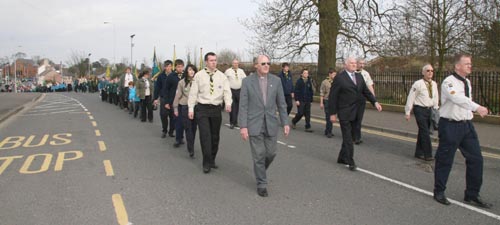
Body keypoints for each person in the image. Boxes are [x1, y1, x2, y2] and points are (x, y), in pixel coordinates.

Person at [433, 54, 492, 208]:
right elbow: (457, 99)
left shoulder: (467, 82)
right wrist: (477, 107)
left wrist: (471, 113)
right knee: (445, 160)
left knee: (476, 159)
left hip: (467, 126)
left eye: (470, 63)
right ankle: (439, 191)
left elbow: (465, 102)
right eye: (466, 64)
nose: (470, 66)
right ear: (457, 66)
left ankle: (472, 194)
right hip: (450, 126)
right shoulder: (449, 82)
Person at [239, 55, 290, 197]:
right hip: (254, 124)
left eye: (268, 63)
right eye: (263, 63)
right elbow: (243, 106)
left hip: (271, 124)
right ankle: (261, 183)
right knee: (259, 155)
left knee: (271, 153)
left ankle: (259, 169)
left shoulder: (277, 81)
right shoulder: (247, 82)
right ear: (256, 65)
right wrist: (243, 126)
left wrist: (285, 122)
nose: (266, 65)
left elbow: (281, 104)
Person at [329, 57, 382, 171]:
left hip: (356, 111)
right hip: (344, 112)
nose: (354, 65)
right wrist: (332, 113)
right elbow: (333, 97)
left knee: (351, 136)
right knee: (348, 137)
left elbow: (366, 91)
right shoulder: (339, 78)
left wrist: (375, 102)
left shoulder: (359, 76)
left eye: (355, 63)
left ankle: (341, 157)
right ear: (345, 65)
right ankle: (350, 160)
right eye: (351, 63)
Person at [188, 52, 232, 174]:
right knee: (205, 136)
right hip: (202, 109)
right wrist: (191, 109)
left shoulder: (222, 76)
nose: (214, 62)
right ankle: (206, 162)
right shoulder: (199, 76)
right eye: (211, 60)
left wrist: (228, 103)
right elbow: (193, 93)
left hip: (216, 109)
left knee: (215, 137)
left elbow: (227, 91)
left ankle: (212, 159)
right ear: (206, 62)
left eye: (215, 60)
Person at [405, 64, 439, 161]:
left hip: (430, 110)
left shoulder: (434, 84)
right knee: (425, 132)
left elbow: (436, 97)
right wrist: (408, 112)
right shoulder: (418, 84)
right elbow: (411, 97)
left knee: (422, 131)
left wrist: (436, 109)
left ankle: (418, 152)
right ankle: (428, 154)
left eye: (432, 71)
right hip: (419, 109)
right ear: (423, 72)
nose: (430, 72)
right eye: (428, 70)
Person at [174, 64, 198, 158]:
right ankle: (190, 148)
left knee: (194, 128)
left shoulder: (198, 81)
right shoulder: (182, 82)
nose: (192, 72)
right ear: (186, 71)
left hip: (196, 107)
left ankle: (191, 142)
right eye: (190, 70)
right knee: (188, 128)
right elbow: (177, 95)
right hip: (185, 106)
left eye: (193, 70)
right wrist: (175, 107)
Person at [352, 58, 375, 144]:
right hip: (352, 98)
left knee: (359, 119)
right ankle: (352, 135)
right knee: (353, 118)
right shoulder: (351, 73)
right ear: (356, 63)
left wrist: (374, 100)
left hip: (361, 99)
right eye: (360, 63)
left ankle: (357, 137)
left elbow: (369, 86)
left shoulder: (366, 74)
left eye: (363, 64)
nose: (362, 65)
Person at [154, 60, 174, 138]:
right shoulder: (161, 76)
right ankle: (164, 130)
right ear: (165, 67)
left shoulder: (174, 75)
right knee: (163, 115)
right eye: (168, 66)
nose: (169, 68)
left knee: (173, 116)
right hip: (164, 98)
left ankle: (171, 131)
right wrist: (155, 98)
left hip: (173, 98)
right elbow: (157, 87)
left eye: (171, 66)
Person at [167, 59, 185, 147]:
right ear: (175, 67)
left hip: (185, 102)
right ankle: (178, 139)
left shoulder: (186, 76)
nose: (180, 68)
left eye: (181, 66)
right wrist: (167, 102)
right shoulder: (171, 76)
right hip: (175, 101)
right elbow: (166, 89)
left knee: (184, 121)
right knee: (177, 121)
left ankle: (181, 137)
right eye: (178, 67)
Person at [225, 59, 247, 129]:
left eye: (237, 63)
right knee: (232, 106)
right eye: (234, 63)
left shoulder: (241, 71)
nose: (235, 65)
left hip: (239, 91)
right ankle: (232, 122)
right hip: (231, 91)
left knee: (238, 107)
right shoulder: (228, 71)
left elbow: (245, 80)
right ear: (232, 64)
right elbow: (224, 80)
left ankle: (236, 122)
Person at [320, 68, 336, 138]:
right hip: (327, 100)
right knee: (328, 117)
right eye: (333, 74)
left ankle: (328, 130)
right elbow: (322, 93)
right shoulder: (325, 82)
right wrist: (321, 103)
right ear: (330, 74)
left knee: (332, 116)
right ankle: (328, 132)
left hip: (334, 101)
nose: (335, 76)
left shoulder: (336, 82)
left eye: (335, 74)